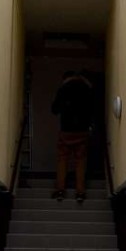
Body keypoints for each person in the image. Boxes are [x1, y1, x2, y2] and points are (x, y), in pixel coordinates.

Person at [51, 71, 94, 202]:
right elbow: (93, 109)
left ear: (65, 78)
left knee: (62, 159)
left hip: (66, 130)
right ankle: (80, 192)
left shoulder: (63, 89)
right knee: (80, 161)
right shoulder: (87, 89)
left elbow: (54, 109)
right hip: (82, 130)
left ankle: (60, 190)